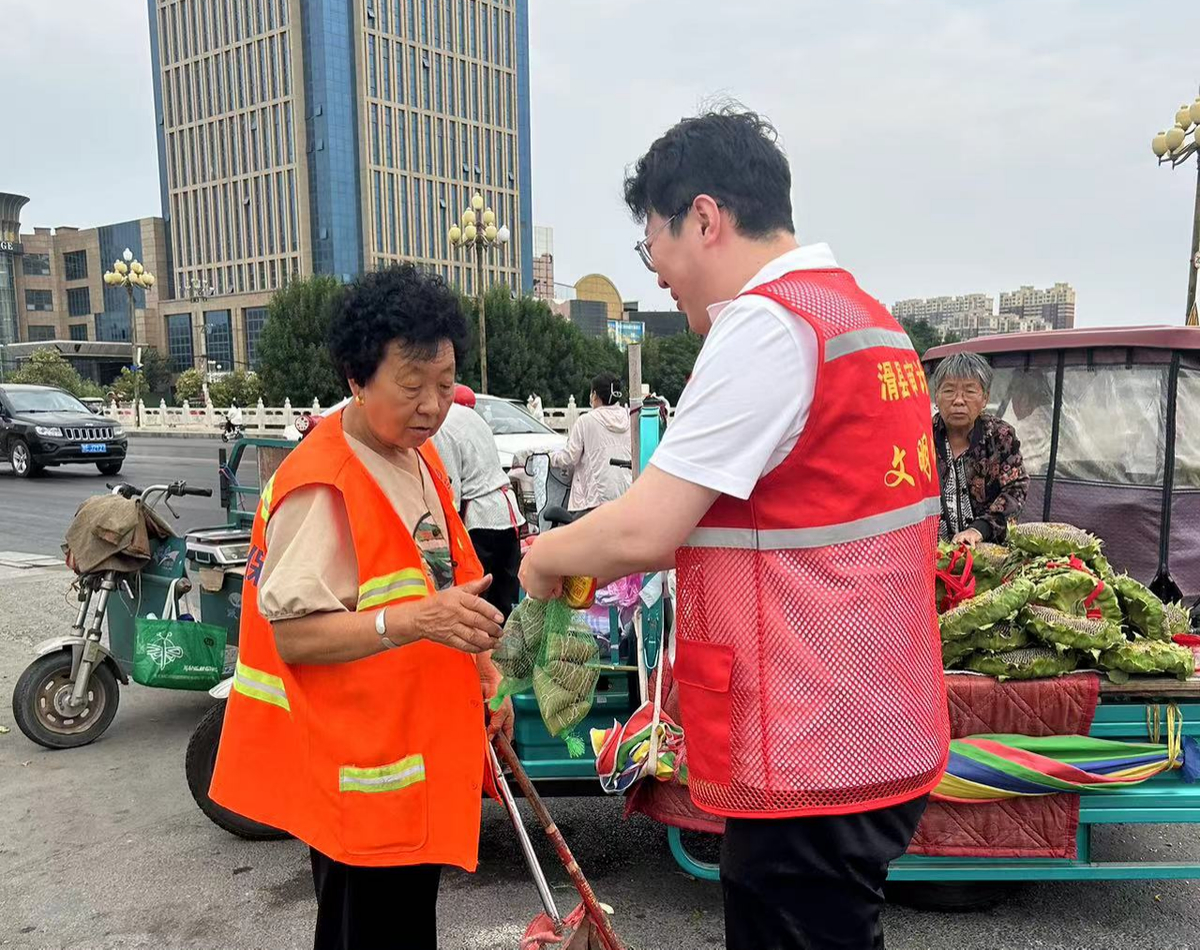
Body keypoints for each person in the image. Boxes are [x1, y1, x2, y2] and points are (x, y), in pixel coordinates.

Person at [519, 107, 950, 950]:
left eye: (656, 248)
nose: (662, 278)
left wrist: (542, 566)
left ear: (706, 218)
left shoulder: (766, 325)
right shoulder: (863, 316)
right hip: (873, 721)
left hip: (811, 737)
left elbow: (647, 529)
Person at [209, 264, 512, 950]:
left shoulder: (418, 457)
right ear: (356, 377)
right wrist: (413, 622)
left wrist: (488, 672)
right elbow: (295, 638)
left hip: (414, 753)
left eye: (443, 384)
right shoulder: (321, 485)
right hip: (362, 775)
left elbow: (449, 579)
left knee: (402, 929)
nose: (433, 406)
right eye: (411, 387)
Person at [432, 384, 525, 620]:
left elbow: (450, 489)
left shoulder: (441, 425)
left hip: (480, 519)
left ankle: (482, 655)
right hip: (507, 512)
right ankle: (502, 654)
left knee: (476, 597)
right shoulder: (476, 419)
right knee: (503, 601)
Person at [931, 351, 1030, 547]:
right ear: (937, 396)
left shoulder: (1000, 436)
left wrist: (979, 529)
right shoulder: (922, 437)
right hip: (932, 555)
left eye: (969, 391)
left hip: (988, 552)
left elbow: (1016, 488)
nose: (958, 401)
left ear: (984, 398)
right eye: (949, 391)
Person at [542, 372, 632, 515]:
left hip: (594, 500)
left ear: (595, 395)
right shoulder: (629, 418)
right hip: (625, 495)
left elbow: (569, 457)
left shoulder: (586, 421)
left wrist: (548, 458)